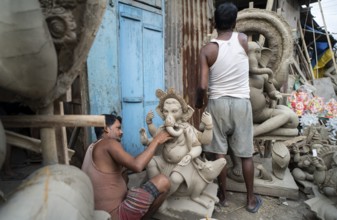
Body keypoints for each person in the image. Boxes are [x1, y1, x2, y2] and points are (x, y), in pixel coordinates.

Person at [195, 2, 262, 213]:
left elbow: (202, 85)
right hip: (242, 103)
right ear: (234, 22)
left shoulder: (207, 50)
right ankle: (251, 200)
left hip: (218, 104)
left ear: (214, 22)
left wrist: (198, 103)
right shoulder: (243, 40)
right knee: (246, 155)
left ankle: (223, 196)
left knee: (219, 154)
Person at [81, 113, 172, 220]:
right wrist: (156, 140)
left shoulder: (92, 146)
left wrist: (149, 152)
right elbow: (137, 166)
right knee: (164, 181)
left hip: (96, 213)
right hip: (114, 215)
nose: (121, 132)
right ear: (106, 129)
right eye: (118, 128)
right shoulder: (109, 143)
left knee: (124, 174)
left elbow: (131, 163)